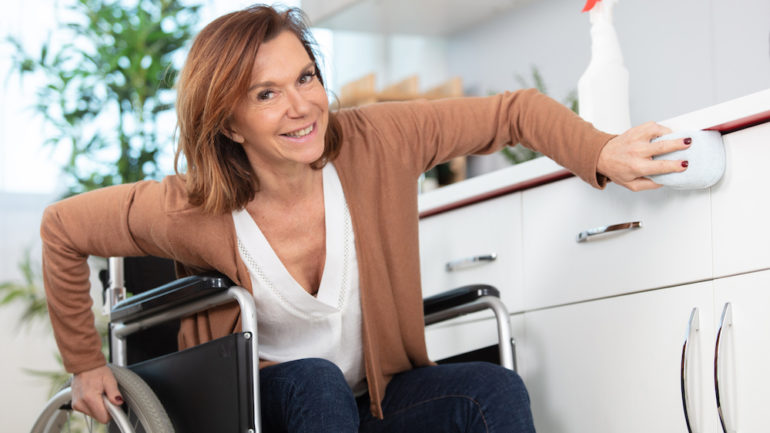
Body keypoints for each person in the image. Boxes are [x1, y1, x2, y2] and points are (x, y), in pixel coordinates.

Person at [39, 4, 689, 432]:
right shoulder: (187, 204)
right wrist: (85, 363)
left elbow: (512, 112)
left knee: (492, 394)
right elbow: (62, 230)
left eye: (306, 77)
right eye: (267, 94)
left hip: (372, 399)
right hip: (264, 412)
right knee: (318, 384)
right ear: (228, 120)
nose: (302, 106)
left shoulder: (377, 140)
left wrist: (600, 150)